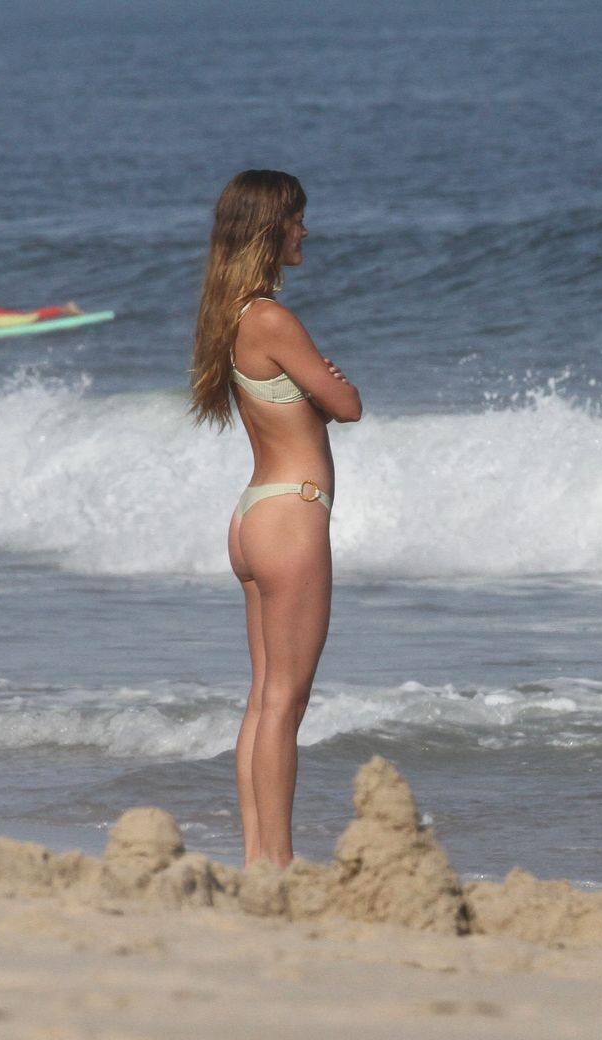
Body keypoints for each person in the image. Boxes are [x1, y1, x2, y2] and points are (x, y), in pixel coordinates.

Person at [188, 169, 361, 868]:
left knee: (264, 700)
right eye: (296, 219)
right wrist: (331, 386)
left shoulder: (229, 316)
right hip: (292, 513)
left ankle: (260, 856)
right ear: (270, 227)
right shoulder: (270, 317)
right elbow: (347, 406)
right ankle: (276, 862)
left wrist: (316, 388)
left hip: (255, 511)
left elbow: (305, 398)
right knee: (285, 702)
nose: (305, 231)